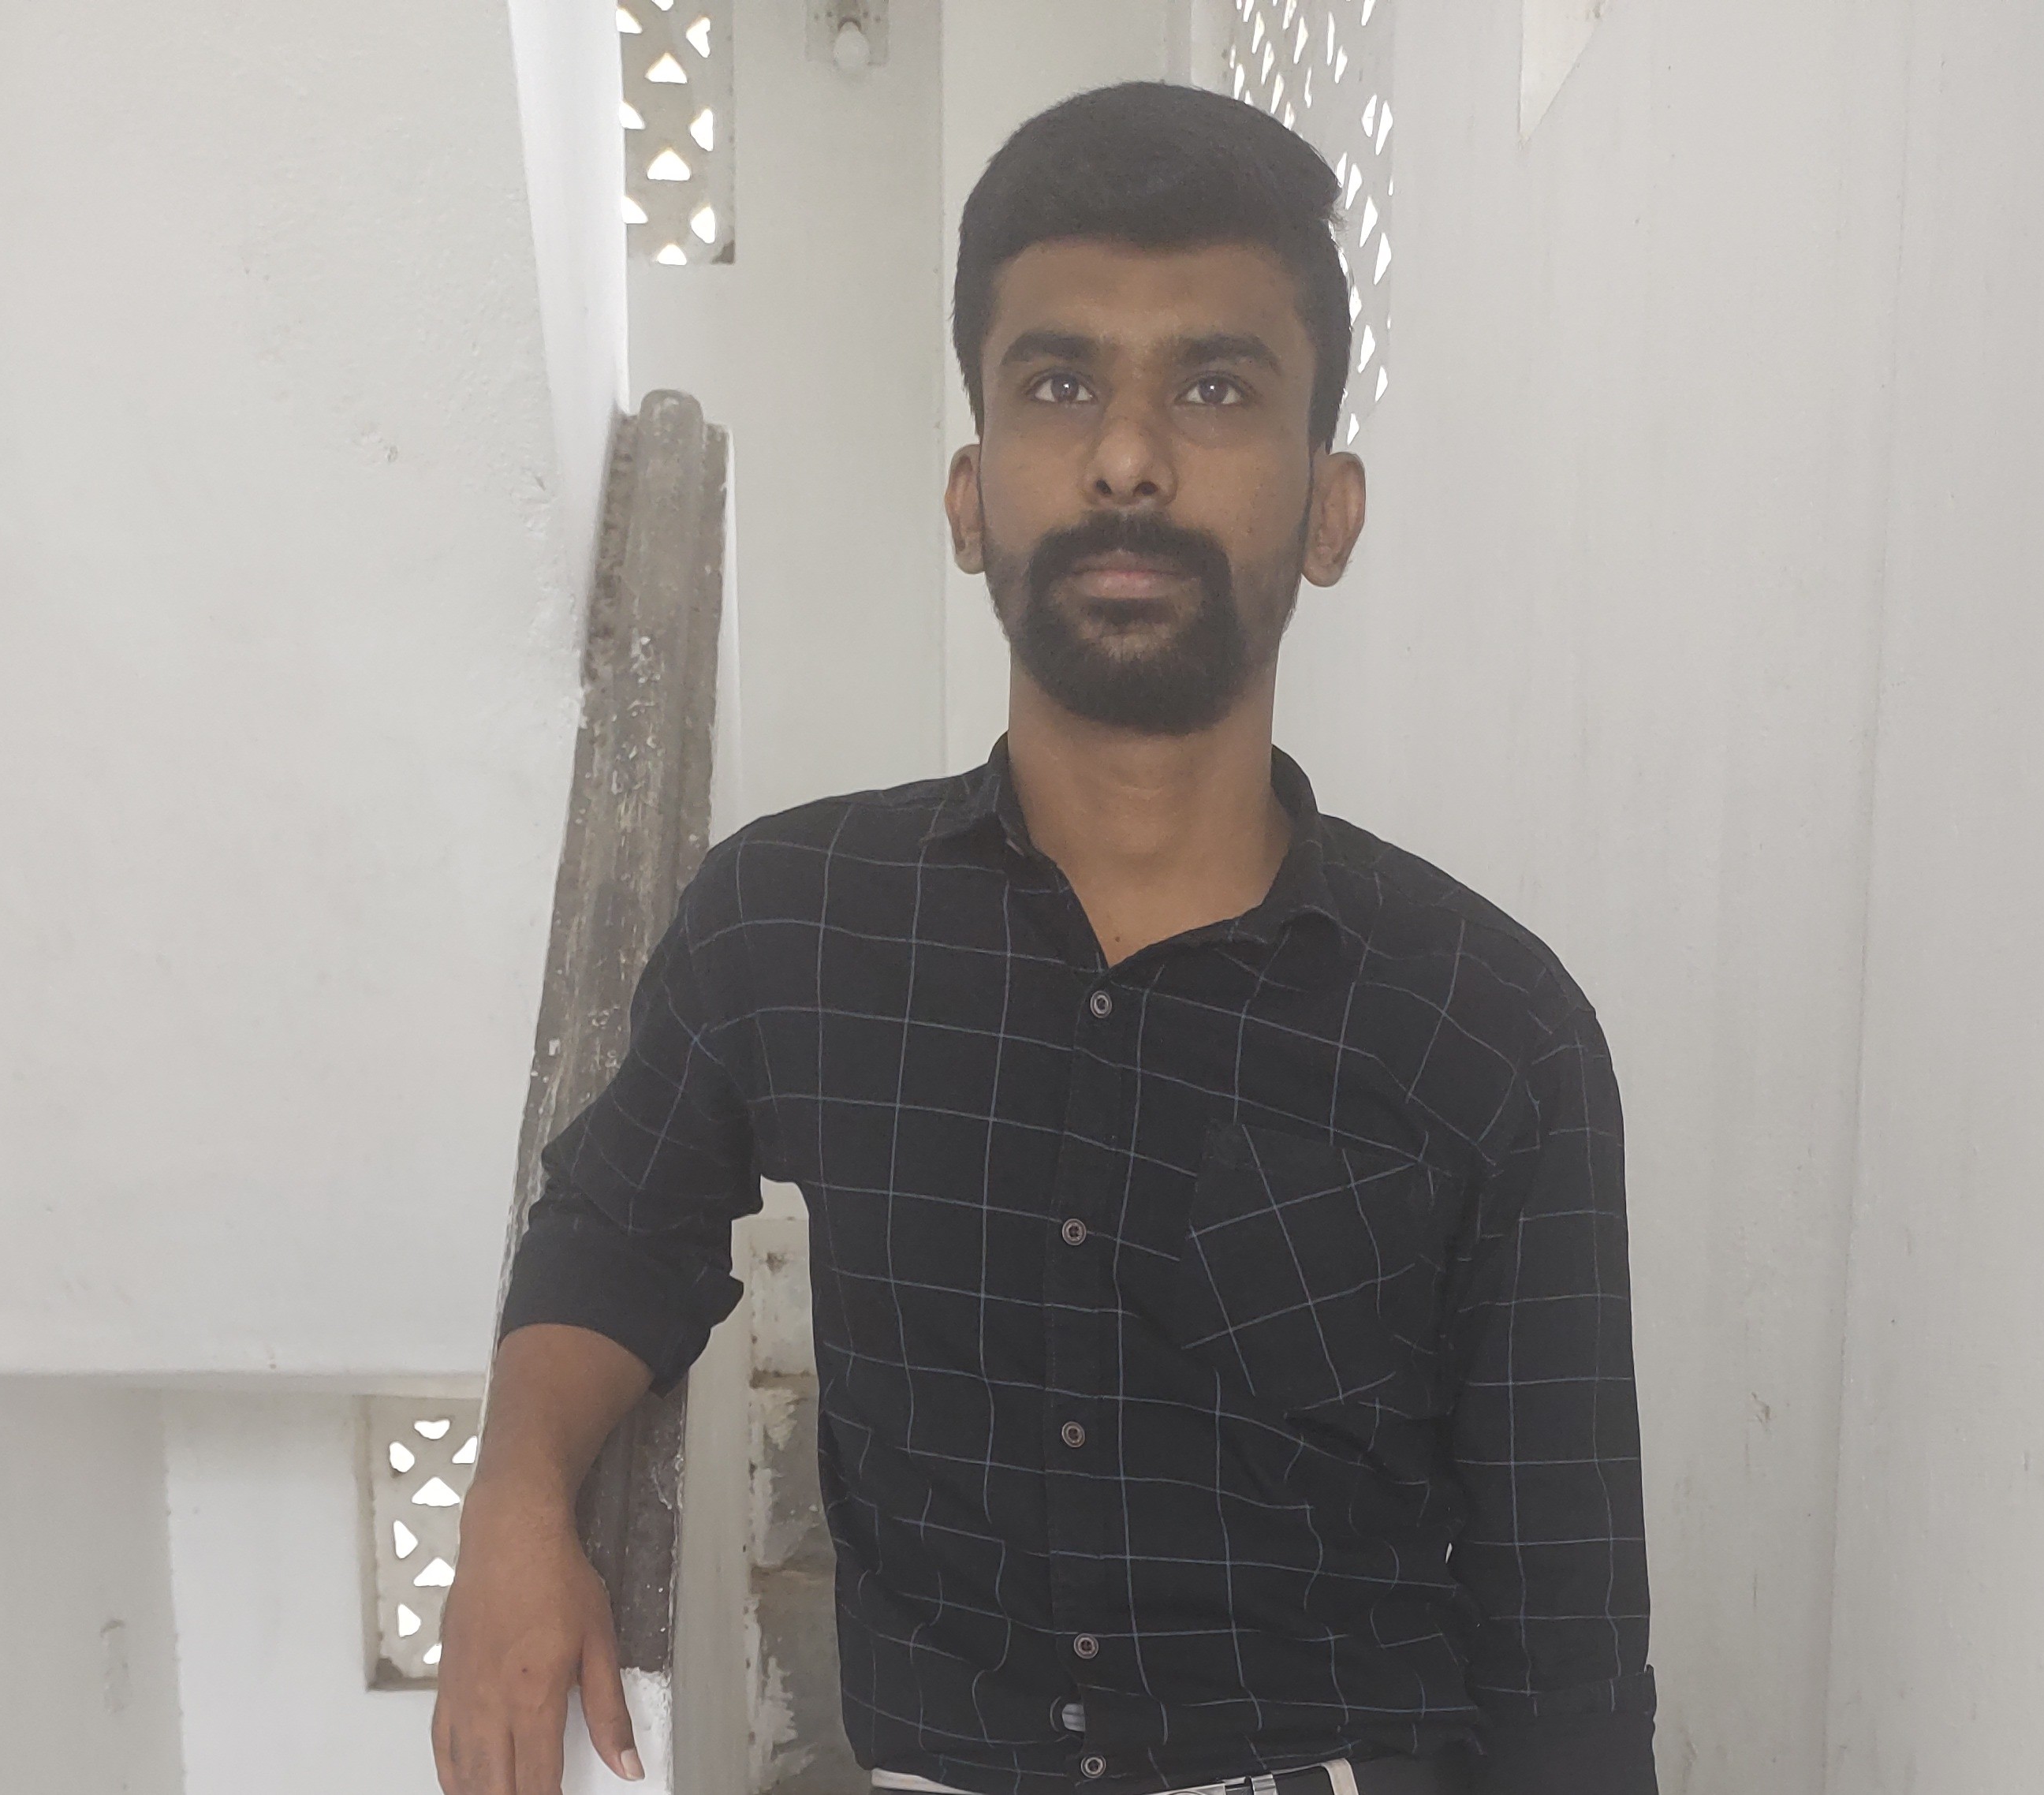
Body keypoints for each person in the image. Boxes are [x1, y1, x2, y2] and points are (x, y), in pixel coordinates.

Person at [432, 83, 1655, 1795]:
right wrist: (513, 1501)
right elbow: (613, 1231)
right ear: (968, 498)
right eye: (1059, 383)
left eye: (1214, 388)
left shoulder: (1489, 1036)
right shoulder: (796, 926)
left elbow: (1566, 1659)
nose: (1126, 457)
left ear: (1329, 508)